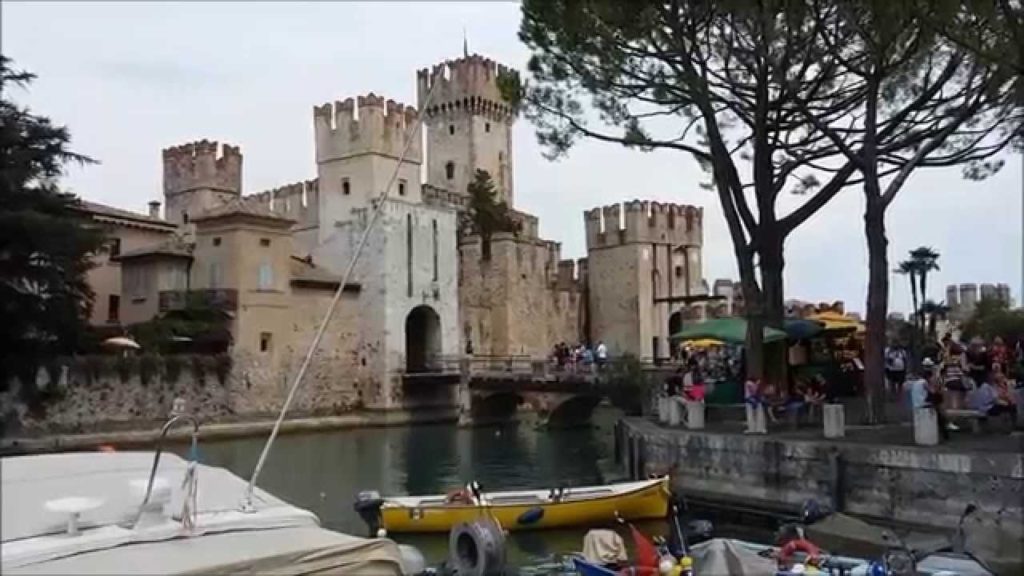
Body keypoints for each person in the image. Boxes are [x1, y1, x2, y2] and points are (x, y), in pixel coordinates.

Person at [909, 359, 951, 440]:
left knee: (937, 401)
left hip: (917, 403)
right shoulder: (923, 383)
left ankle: (943, 422)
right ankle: (944, 428)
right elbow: (933, 391)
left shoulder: (916, 383)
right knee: (938, 399)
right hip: (922, 403)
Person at [940, 335, 967, 409]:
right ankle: (957, 415)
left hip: (949, 380)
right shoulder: (961, 356)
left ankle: (952, 415)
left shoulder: (946, 356)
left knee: (951, 400)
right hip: (958, 380)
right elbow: (963, 369)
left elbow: (943, 368)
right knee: (958, 401)